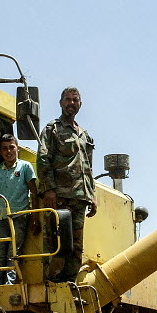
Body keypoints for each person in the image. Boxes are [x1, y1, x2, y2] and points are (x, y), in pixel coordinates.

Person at [37, 86, 96, 282]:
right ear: (61, 103)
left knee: (75, 247)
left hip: (80, 198)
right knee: (56, 243)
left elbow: (88, 167)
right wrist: (49, 189)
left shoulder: (85, 136)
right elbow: (43, 158)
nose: (71, 103)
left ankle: (69, 284)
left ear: (80, 104)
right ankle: (52, 285)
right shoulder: (52, 129)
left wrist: (92, 195)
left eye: (75, 100)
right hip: (59, 197)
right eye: (68, 99)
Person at [0, 131, 36, 284]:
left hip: (19, 215)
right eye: (5, 148)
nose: (9, 151)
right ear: (1, 152)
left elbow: (33, 192)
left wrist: (34, 218)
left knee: (13, 252)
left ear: (17, 148)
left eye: (11, 148)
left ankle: (9, 285)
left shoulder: (25, 167)